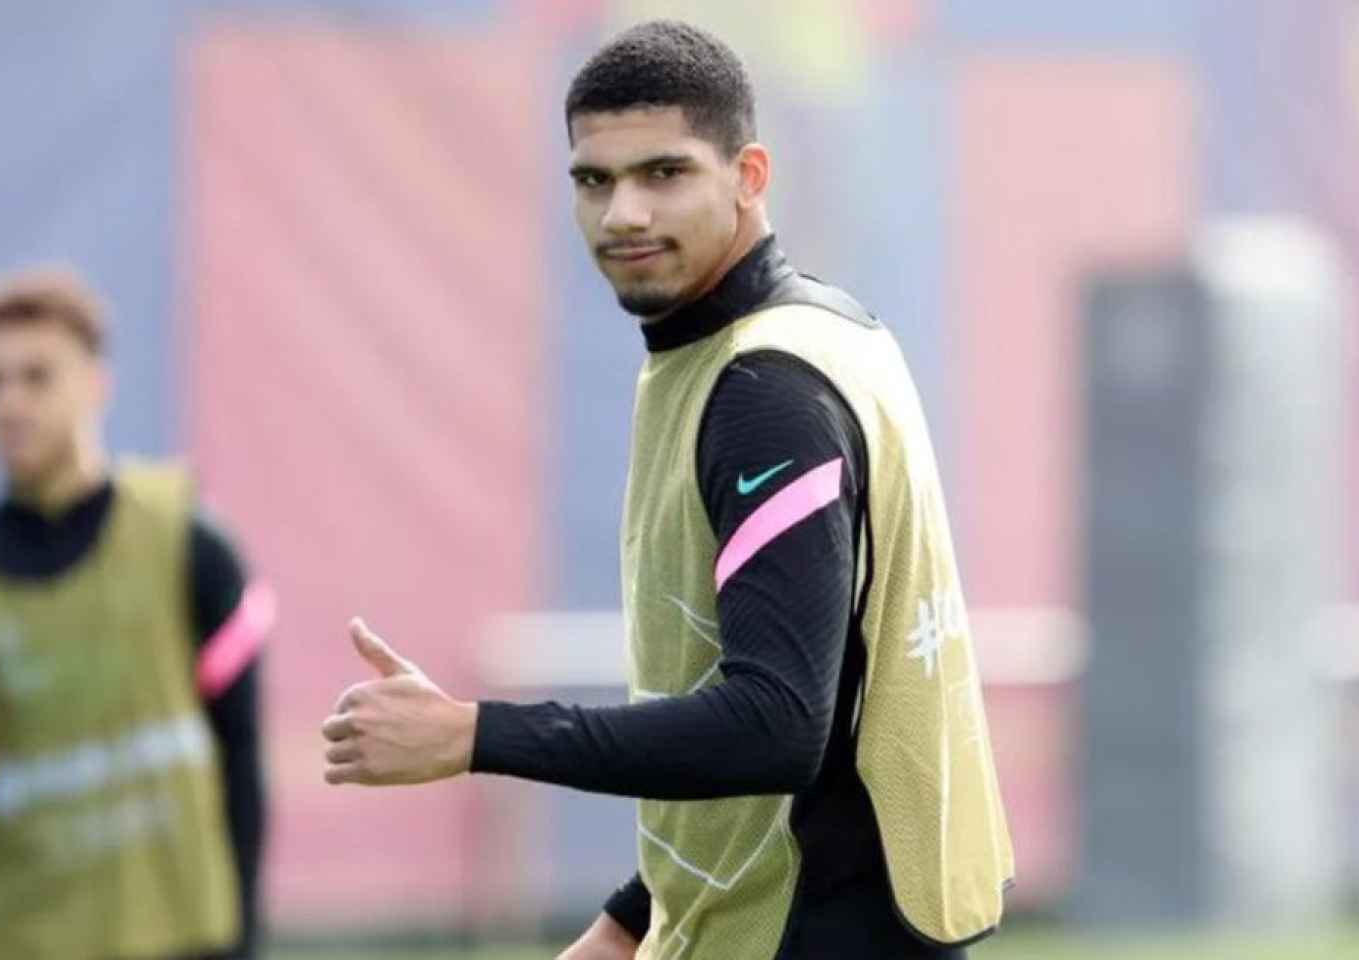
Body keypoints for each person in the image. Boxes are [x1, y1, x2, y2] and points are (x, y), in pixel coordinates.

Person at [318, 20, 1013, 959]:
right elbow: (791, 686)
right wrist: (633, 916)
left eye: (664, 173)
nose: (623, 215)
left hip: (821, 931)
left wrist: (472, 735)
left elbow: (777, 725)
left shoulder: (766, 389)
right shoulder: (804, 336)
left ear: (750, 175)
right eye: (593, 180)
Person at [0, 268, 272, 960]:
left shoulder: (187, 541)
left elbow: (241, 753)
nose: (10, 402)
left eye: (36, 377)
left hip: (184, 934)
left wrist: (244, 934)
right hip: (26, 937)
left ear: (96, 383)